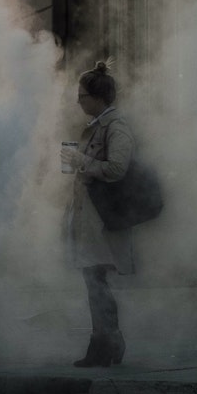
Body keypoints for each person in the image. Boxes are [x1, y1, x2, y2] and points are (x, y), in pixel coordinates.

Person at [60, 60, 135, 367]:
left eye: (83, 96)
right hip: (89, 219)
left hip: (101, 222)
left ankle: (108, 345)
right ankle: (102, 344)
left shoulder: (115, 126)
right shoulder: (96, 126)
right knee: (93, 283)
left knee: (97, 282)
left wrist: (81, 161)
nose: (78, 101)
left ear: (98, 97)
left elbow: (117, 168)